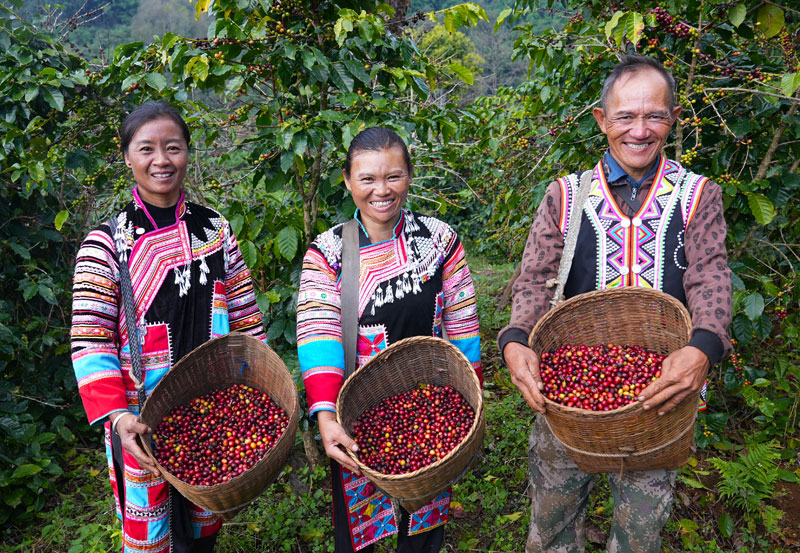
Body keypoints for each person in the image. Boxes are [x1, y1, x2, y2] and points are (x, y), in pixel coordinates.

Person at [498, 54, 732, 553]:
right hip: (568, 402)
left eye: (655, 116)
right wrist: (517, 341)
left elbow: (711, 274)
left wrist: (703, 348)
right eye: (625, 117)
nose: (640, 131)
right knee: (553, 519)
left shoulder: (697, 196)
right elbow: (535, 279)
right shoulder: (565, 195)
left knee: (640, 533)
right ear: (603, 120)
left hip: (660, 402)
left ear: (673, 118)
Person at [70, 102, 266, 553]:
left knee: (202, 528)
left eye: (173, 147)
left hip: (211, 406)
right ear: (127, 157)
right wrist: (118, 417)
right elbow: (89, 339)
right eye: (147, 149)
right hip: (138, 419)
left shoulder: (214, 229)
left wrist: (252, 385)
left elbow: (246, 317)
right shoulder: (107, 242)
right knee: (150, 535)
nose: (161, 160)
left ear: (187, 153)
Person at [296, 127, 482, 552]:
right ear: (347, 181)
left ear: (409, 176)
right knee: (357, 530)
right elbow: (317, 330)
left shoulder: (439, 240)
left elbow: (462, 320)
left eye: (393, 176)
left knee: (423, 526)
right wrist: (326, 416)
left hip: (432, 407)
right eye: (367, 179)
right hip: (356, 413)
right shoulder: (329, 252)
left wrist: (470, 395)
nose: (382, 190)